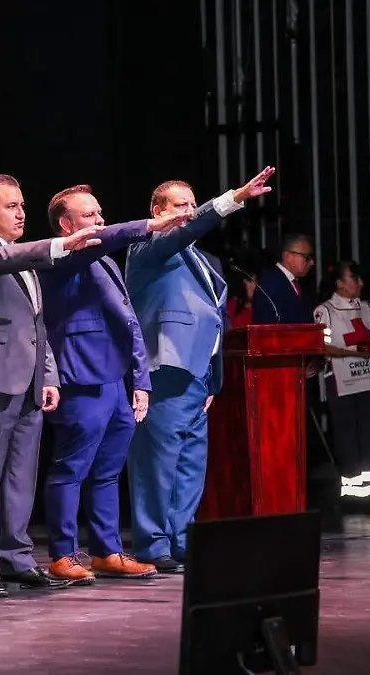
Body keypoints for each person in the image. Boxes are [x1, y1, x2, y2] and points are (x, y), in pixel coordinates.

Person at [0, 174, 103, 596]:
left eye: (22, 206)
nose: (20, 214)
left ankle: (14, 556)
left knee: (20, 475)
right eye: (11, 206)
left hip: (30, 379)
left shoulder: (22, 254)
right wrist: (57, 247)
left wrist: (48, 374)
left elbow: (36, 323)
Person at [123, 167, 275, 573]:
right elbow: (182, 233)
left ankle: (183, 540)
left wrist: (212, 376)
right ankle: (153, 543)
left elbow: (212, 319)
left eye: (193, 204)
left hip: (198, 374)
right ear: (157, 211)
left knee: (191, 463)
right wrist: (234, 198)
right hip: (165, 368)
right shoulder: (150, 246)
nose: (189, 212)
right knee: (157, 461)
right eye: (180, 206)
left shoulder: (202, 259)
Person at [38, 185, 187, 584]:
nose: (100, 221)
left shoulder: (104, 262)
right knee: (71, 469)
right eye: (89, 216)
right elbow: (106, 239)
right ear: (67, 224)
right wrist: (151, 225)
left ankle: (106, 551)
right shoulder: (62, 254)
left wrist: (139, 379)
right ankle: (63, 554)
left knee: (107, 472)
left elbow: (129, 324)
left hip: (115, 381)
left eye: (100, 213)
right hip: (80, 377)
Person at [314, 261, 370, 497]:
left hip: (369, 380)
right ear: (340, 283)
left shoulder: (367, 308)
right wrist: (357, 351)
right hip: (341, 382)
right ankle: (351, 490)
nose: (361, 283)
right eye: (354, 278)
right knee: (346, 434)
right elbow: (322, 347)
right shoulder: (324, 310)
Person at [252, 233, 315, 324]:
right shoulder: (271, 285)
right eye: (307, 257)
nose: (312, 262)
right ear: (288, 257)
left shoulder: (296, 283)